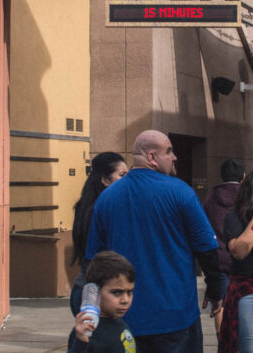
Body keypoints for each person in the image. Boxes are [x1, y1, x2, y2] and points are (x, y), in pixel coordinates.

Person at [87, 130, 222, 353]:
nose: (174, 157)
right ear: (152, 157)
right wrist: (216, 291)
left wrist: (91, 308)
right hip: (176, 317)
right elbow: (207, 249)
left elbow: (93, 262)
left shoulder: (107, 198)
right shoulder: (181, 192)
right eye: (169, 151)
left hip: (126, 320)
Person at [70, 152, 129, 316]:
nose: (128, 180)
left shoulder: (86, 207)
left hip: (87, 290)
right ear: (105, 180)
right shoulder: (101, 211)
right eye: (122, 175)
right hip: (95, 295)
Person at [220, 169, 253, 353]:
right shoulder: (234, 218)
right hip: (246, 288)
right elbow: (239, 252)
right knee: (251, 347)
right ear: (250, 191)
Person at [202, 157, 243, 334]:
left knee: (219, 304)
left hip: (218, 257)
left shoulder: (211, 199)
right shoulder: (246, 196)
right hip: (241, 257)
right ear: (243, 176)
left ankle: (222, 342)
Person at [70, 251, 137, 353]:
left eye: (129, 292)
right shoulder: (87, 330)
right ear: (95, 291)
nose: (125, 300)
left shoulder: (120, 324)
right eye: (117, 292)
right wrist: (81, 341)